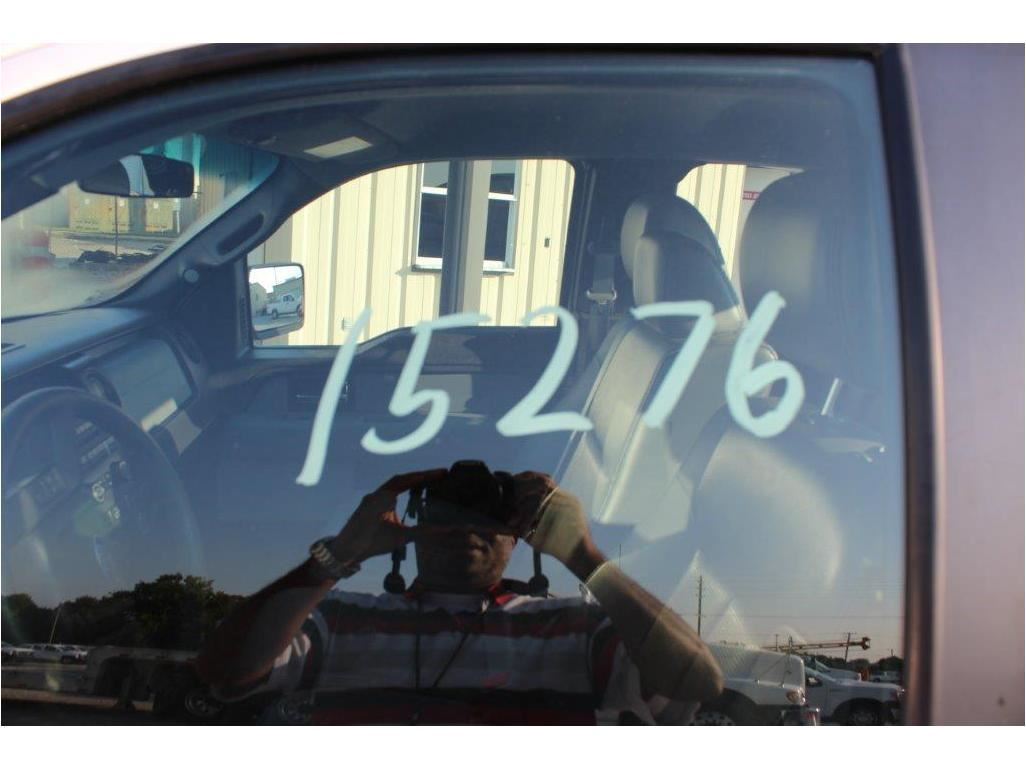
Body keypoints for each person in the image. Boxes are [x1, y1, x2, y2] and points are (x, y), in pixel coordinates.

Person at [195, 463, 723, 725]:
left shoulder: (576, 628)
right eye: (447, 513)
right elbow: (226, 672)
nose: (467, 527)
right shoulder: (337, 618)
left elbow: (697, 680)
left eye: (487, 516)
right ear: (414, 528)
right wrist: (337, 556)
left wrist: (584, 555)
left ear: (519, 537)